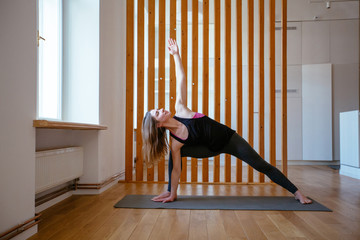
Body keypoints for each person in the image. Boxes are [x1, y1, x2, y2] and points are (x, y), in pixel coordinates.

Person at [142, 38, 312, 204]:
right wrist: (174, 191)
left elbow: (181, 79)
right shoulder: (175, 142)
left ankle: (296, 192)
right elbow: (176, 170)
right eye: (158, 112)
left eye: (158, 108)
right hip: (209, 149)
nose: (161, 108)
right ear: (158, 125)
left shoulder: (180, 109)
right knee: (175, 155)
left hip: (229, 140)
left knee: (260, 164)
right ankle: (171, 192)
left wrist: (176, 55)